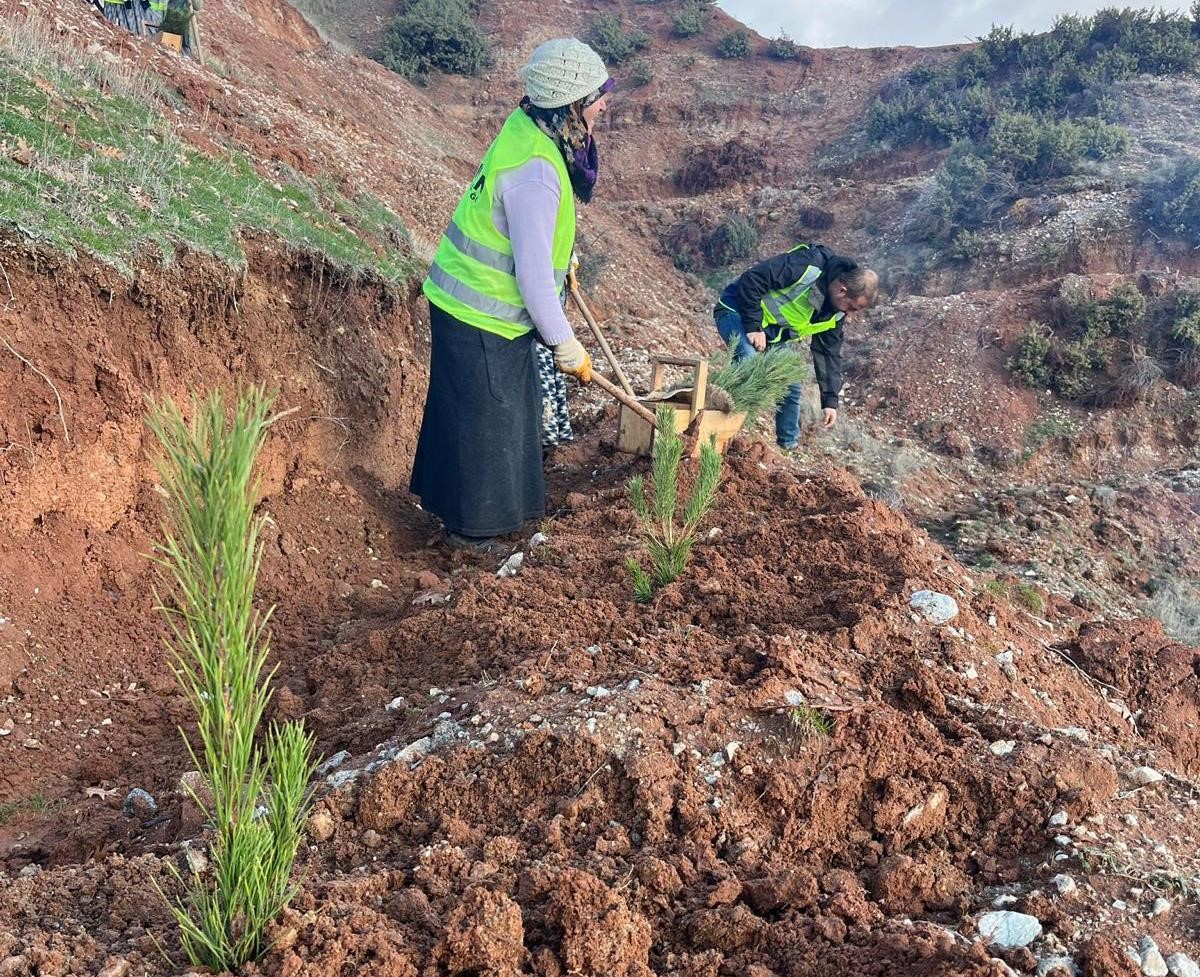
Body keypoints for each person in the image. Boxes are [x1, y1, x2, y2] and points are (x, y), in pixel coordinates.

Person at [410, 38, 612, 550]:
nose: (605, 103)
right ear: (571, 105)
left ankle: (485, 518)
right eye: (597, 95)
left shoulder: (528, 127)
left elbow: (530, 236)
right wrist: (565, 343)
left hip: (477, 305)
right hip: (480, 309)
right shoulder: (538, 171)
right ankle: (473, 535)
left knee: (496, 415)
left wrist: (562, 258)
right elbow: (530, 279)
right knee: (486, 424)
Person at [714, 243, 878, 450]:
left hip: (770, 335)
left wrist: (830, 401)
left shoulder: (836, 312)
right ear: (842, 290)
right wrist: (753, 326)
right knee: (749, 363)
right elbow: (753, 279)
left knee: (792, 384)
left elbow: (828, 353)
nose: (851, 314)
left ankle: (787, 446)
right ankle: (718, 436)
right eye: (852, 307)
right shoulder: (807, 266)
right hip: (736, 311)